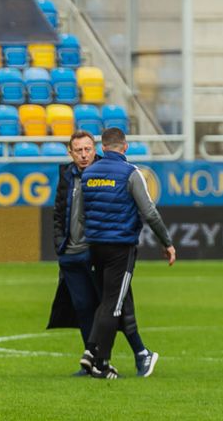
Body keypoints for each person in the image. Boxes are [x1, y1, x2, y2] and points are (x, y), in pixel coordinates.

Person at [49, 131, 158, 377]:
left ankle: (131, 354)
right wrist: (60, 244)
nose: (84, 154)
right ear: (70, 152)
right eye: (78, 150)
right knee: (85, 309)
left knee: (114, 306)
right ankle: (96, 361)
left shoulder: (102, 172)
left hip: (97, 251)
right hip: (71, 254)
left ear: (95, 149)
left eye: (88, 149)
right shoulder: (66, 175)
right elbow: (58, 212)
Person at [75, 128, 175, 380]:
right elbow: (149, 212)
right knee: (114, 304)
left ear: (101, 148)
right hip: (120, 247)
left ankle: (95, 352)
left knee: (109, 300)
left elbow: (81, 214)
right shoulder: (131, 173)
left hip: (95, 245)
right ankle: (102, 363)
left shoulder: (88, 174)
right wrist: (167, 242)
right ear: (125, 147)